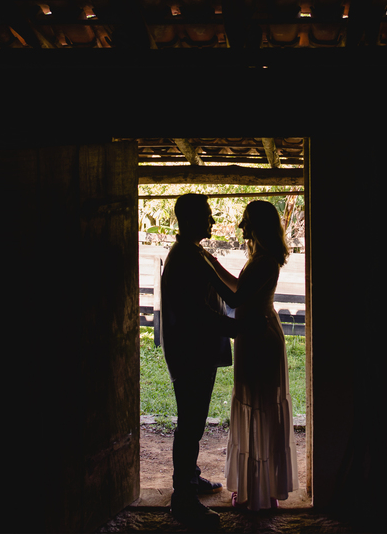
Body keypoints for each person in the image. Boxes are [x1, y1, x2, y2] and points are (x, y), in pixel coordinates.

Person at [203, 200, 300, 511]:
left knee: (260, 406)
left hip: (259, 336)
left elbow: (234, 297)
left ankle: (262, 488)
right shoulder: (260, 259)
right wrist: (215, 265)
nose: (241, 227)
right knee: (255, 404)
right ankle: (258, 486)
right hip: (253, 333)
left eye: (245, 221)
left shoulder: (265, 262)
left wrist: (206, 270)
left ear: (258, 225)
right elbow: (240, 288)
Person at [159, 193, 246, 529]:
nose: (212, 222)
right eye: (208, 216)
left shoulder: (194, 253)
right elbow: (199, 313)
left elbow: (231, 293)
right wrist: (240, 329)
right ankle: (183, 499)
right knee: (191, 425)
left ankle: (191, 479)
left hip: (193, 350)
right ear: (192, 219)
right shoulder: (187, 257)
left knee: (192, 421)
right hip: (190, 352)